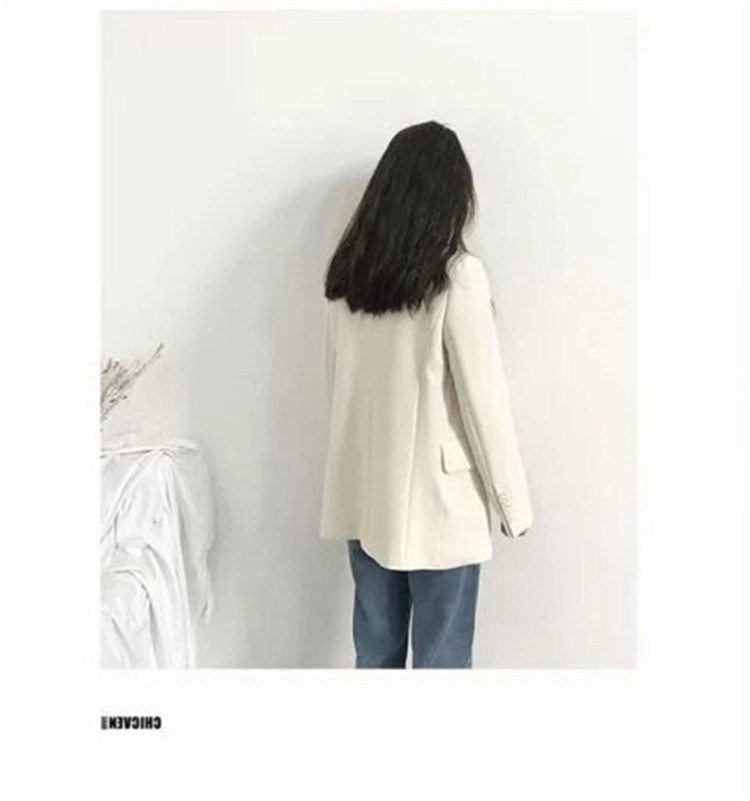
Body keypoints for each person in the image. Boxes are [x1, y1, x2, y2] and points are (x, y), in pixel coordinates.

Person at [319, 120, 534, 669]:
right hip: (441, 505)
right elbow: (485, 405)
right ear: (452, 193)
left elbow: (338, 390)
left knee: (376, 656)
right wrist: (513, 505)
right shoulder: (457, 276)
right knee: (443, 663)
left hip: (367, 497)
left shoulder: (349, 279)